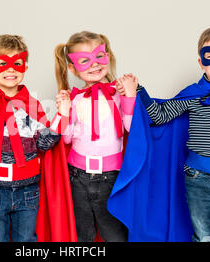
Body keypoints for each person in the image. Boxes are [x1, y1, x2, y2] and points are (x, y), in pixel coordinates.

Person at [108, 25, 210, 242]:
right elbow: (160, 116)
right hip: (198, 178)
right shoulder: (193, 95)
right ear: (201, 61)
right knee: (204, 236)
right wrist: (138, 91)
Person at [0, 34, 73, 242]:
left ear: (25, 68)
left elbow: (44, 144)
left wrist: (62, 116)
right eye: (3, 64)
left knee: (27, 241)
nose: (11, 69)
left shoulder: (32, 105)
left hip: (27, 190)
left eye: (17, 64)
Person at [54, 31, 137, 242]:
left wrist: (130, 95)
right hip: (78, 176)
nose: (94, 65)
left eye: (99, 57)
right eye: (84, 61)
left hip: (111, 176)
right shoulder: (75, 98)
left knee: (115, 235)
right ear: (72, 68)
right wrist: (64, 112)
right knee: (83, 235)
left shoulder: (118, 94)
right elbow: (66, 139)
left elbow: (131, 127)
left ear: (107, 56)